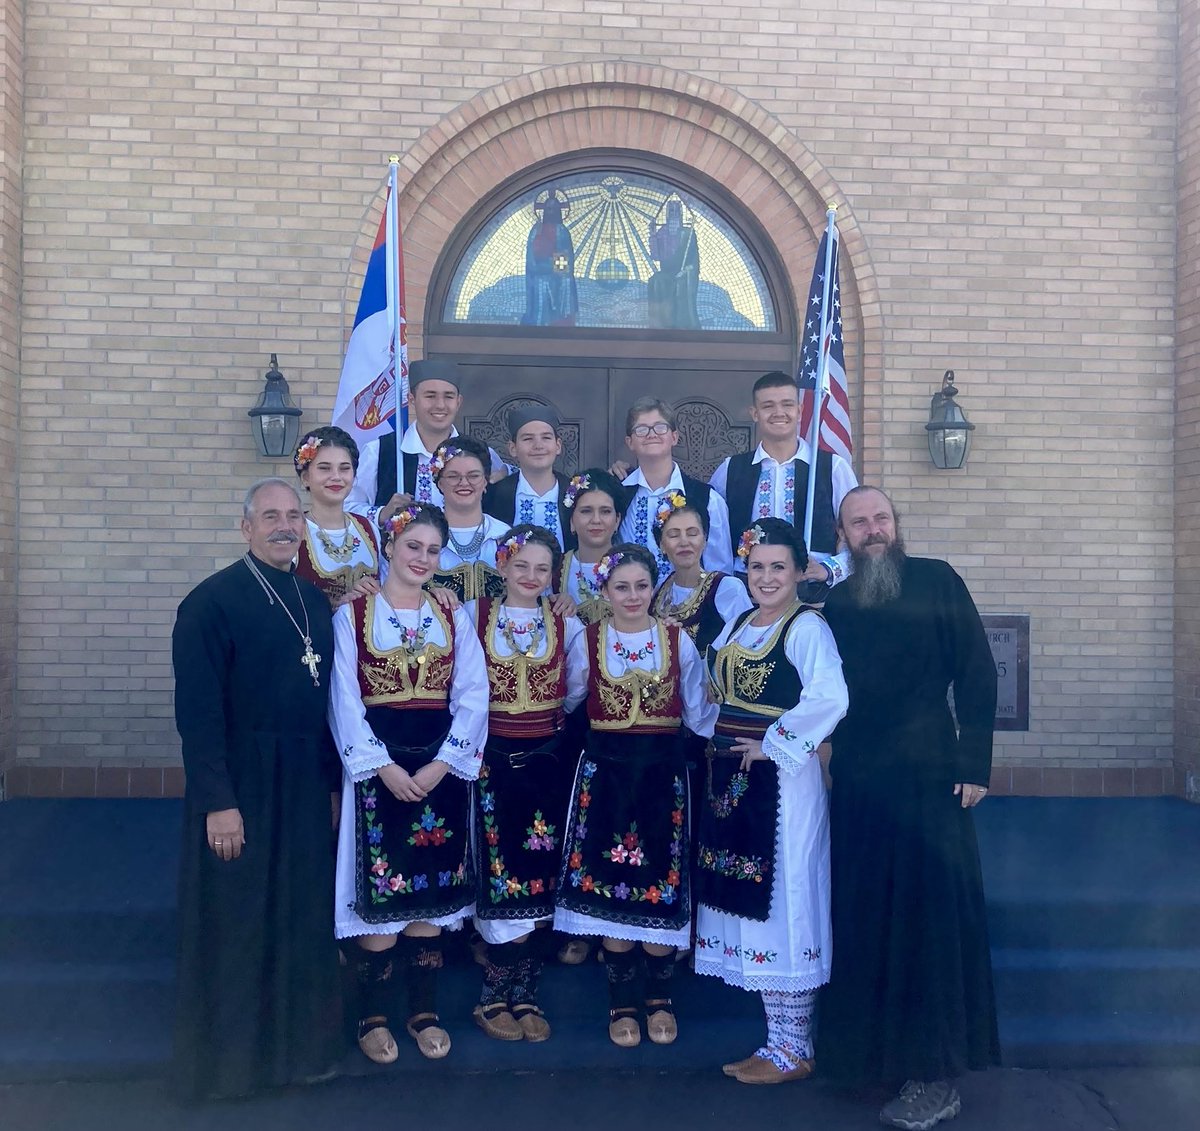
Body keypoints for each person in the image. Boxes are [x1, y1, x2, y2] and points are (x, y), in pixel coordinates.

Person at [818, 486, 999, 1130]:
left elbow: (978, 670)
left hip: (930, 774)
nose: (872, 530)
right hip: (862, 779)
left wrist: (973, 763)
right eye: (858, 522)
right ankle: (872, 1060)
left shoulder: (937, 580)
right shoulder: (835, 603)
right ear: (843, 535)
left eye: (881, 519)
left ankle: (934, 1072)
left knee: (926, 920)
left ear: (897, 527)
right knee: (867, 913)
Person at [171, 478, 344, 1100]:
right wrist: (218, 802)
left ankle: (298, 1056)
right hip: (239, 783)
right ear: (245, 527)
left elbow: (327, 705)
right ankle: (231, 1068)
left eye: (293, 516)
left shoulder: (312, 601)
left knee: (298, 913)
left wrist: (329, 784)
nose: (284, 525)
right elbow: (198, 715)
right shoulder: (210, 603)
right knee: (241, 920)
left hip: (300, 783)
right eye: (270, 516)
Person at [328, 503, 489, 1064]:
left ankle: (423, 1011)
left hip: (439, 768)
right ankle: (373, 1017)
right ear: (390, 548)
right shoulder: (351, 615)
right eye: (413, 546)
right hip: (380, 769)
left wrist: (445, 764)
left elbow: (473, 692)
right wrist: (381, 767)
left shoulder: (452, 615)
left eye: (432, 550)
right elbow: (343, 698)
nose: (422, 558)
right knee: (381, 894)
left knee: (429, 896)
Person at [695, 518, 848, 1084]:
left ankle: (794, 1049)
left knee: (785, 898)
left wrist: (777, 743)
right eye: (756, 566)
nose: (765, 576)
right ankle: (775, 1042)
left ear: (799, 571)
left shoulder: (807, 628)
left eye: (777, 567)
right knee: (751, 902)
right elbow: (709, 686)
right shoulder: (738, 622)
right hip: (733, 780)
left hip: (782, 781)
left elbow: (831, 697)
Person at [553, 543, 718, 1048]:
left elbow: (699, 710)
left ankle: (659, 998)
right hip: (605, 776)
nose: (632, 595)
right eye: (620, 586)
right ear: (603, 591)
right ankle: (621, 1000)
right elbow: (565, 697)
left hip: (660, 778)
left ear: (654, 587)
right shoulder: (589, 638)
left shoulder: (676, 639)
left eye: (641, 586)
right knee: (609, 881)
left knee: (659, 880)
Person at [468, 525, 587, 1042]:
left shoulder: (568, 625)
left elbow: (578, 688)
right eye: (521, 566)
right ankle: (494, 991)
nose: (531, 577)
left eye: (542, 568)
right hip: (490, 762)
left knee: (541, 868)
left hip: (544, 764)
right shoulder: (471, 615)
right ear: (501, 567)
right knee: (498, 870)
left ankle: (527, 988)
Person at [710, 371, 858, 587]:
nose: (778, 412)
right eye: (768, 406)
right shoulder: (730, 470)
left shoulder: (833, 468)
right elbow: (714, 539)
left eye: (787, 404)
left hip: (813, 593)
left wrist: (828, 569)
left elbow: (859, 536)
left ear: (800, 411)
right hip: (749, 594)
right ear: (754, 413)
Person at [345, 358, 508, 512]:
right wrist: (382, 513)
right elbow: (347, 506)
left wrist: (506, 472)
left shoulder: (480, 453)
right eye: (430, 396)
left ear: (458, 402)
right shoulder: (380, 452)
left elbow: (524, 479)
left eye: (448, 397)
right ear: (412, 399)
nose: (440, 405)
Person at [617, 397, 734, 580]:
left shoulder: (707, 499)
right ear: (630, 441)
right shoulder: (618, 495)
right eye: (641, 429)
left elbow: (720, 569)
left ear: (674, 437)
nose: (651, 434)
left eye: (660, 427)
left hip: (688, 604)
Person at [650, 493, 751, 658]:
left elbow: (744, 649)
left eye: (692, 533)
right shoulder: (659, 590)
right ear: (661, 544)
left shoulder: (726, 589)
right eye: (674, 535)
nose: (684, 542)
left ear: (704, 539)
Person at [292, 426, 382, 608]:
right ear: (305, 478)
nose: (336, 477)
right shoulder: (294, 531)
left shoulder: (368, 528)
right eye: (324, 468)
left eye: (344, 468)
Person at [483, 405, 576, 551]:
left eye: (546, 437)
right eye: (528, 439)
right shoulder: (495, 494)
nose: (538, 445)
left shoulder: (575, 492)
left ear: (558, 446)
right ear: (513, 448)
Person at [429, 436, 511, 602]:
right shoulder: (424, 535)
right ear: (439, 483)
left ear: (485, 481)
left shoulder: (506, 536)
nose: (464, 483)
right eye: (453, 476)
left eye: (473, 476)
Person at [557, 468, 627, 627]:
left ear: (617, 520)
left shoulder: (634, 566)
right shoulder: (555, 570)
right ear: (572, 521)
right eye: (586, 511)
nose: (596, 520)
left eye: (605, 511)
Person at [522, 190, 579, 327]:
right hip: (538, 274)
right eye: (548, 208)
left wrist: (553, 269)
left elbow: (566, 256)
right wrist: (538, 268)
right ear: (544, 211)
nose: (551, 211)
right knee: (541, 285)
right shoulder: (536, 230)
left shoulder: (562, 231)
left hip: (558, 274)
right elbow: (531, 255)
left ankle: (562, 321)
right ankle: (540, 323)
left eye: (554, 209)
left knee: (564, 282)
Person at [647, 196, 700, 330]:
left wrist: (687, 270)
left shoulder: (688, 234)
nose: (673, 215)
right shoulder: (662, 232)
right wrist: (652, 234)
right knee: (656, 281)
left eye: (676, 212)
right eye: (671, 212)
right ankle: (660, 321)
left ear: (681, 215)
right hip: (666, 273)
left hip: (683, 273)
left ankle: (683, 323)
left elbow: (693, 258)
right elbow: (655, 256)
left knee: (680, 285)